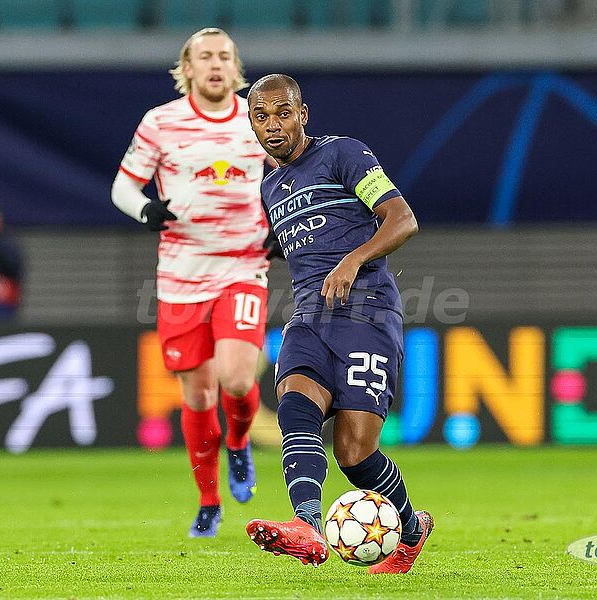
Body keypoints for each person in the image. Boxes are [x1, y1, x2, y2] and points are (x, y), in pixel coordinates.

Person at [244, 74, 432, 574]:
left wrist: (352, 260)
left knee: (355, 453)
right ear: (252, 126)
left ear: (302, 115)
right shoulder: (270, 186)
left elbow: (402, 219)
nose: (273, 124)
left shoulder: (343, 154)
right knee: (295, 403)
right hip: (309, 316)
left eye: (283, 112)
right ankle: (305, 524)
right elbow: (286, 247)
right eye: (261, 116)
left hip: (368, 312)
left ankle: (411, 529)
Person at [111, 28, 281, 538]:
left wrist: (283, 225)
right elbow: (123, 185)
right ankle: (209, 501)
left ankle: (238, 443)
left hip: (243, 266)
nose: (215, 64)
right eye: (205, 56)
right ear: (187, 67)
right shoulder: (160, 122)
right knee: (200, 393)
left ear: (236, 67)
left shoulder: (258, 119)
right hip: (181, 276)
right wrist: (146, 209)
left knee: (237, 378)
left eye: (224, 56)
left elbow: (290, 176)